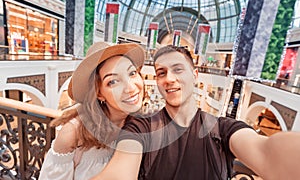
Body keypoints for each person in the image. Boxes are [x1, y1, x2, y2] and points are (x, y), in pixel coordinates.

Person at [91, 45, 300, 180]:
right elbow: (120, 171)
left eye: (178, 69)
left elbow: (266, 152)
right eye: (161, 73)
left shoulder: (223, 128)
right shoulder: (141, 127)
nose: (169, 79)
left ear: (195, 74)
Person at [39, 41, 145, 180]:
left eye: (132, 73)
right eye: (113, 81)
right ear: (99, 93)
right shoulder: (73, 132)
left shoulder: (140, 123)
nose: (130, 88)